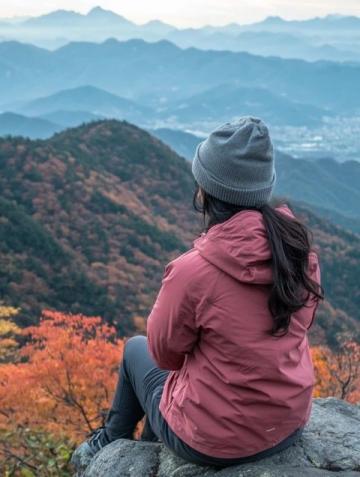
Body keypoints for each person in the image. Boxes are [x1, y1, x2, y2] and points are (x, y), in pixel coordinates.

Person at [72, 116, 324, 468]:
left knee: (134, 350)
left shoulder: (192, 271)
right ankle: (141, 447)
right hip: (286, 424)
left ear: (205, 189)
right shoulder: (298, 252)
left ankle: (109, 444)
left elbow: (164, 356)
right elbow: (298, 327)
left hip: (214, 441)